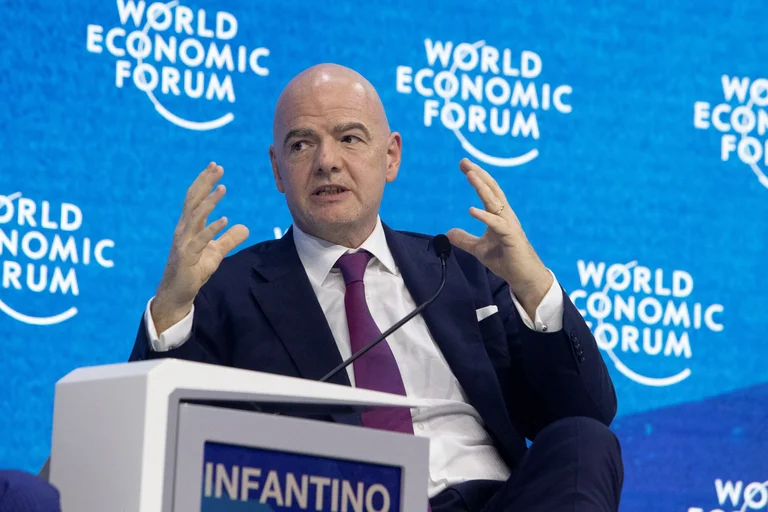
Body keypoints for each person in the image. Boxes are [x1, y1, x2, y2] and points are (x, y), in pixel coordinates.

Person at [129, 63, 623, 512]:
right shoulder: (229, 289)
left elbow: (586, 410)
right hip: (345, 500)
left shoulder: (459, 269)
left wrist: (532, 282)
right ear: (278, 170)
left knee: (586, 440)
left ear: (390, 157)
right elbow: (157, 444)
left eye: (349, 138)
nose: (326, 161)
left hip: (494, 500)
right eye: (301, 145)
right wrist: (171, 310)